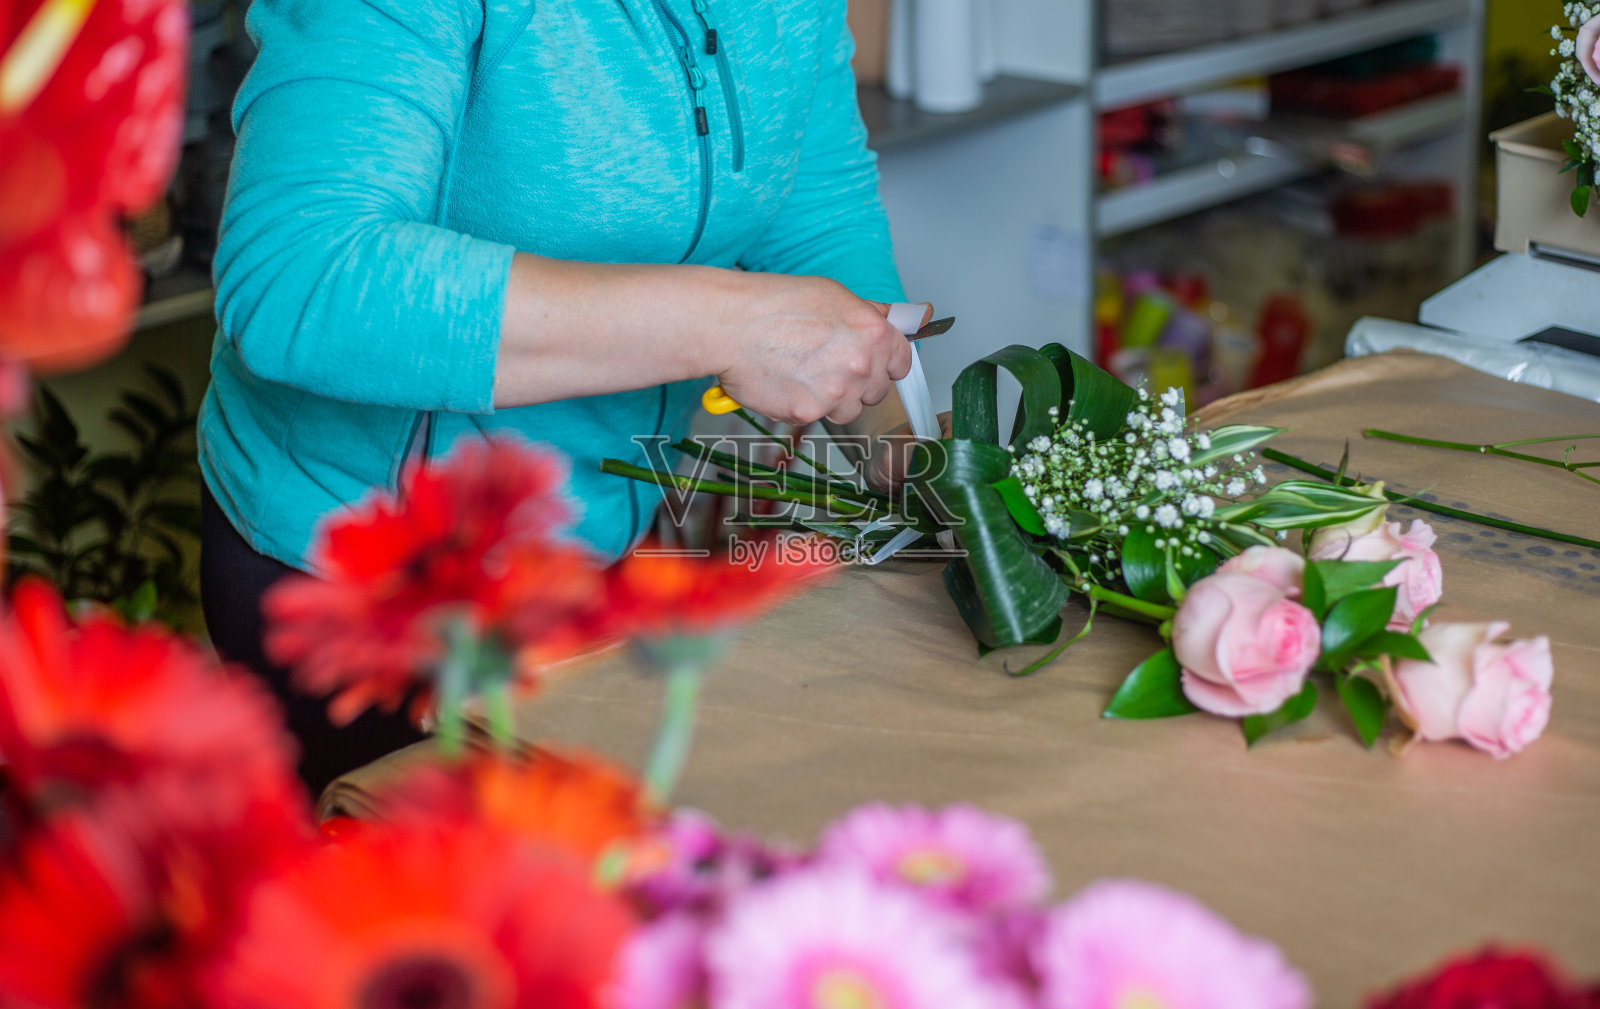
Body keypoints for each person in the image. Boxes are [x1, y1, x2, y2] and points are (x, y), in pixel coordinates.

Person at [198, 0, 919, 793]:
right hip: (374, 578)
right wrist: (725, 325)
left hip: (607, 534)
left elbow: (814, 216)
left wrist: (898, 438)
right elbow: (302, 276)